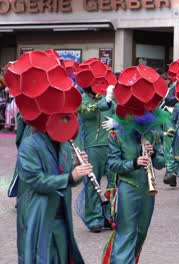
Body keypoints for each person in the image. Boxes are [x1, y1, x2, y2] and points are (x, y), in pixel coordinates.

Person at [8, 50, 88, 263]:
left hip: (60, 216)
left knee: (63, 256)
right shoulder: (30, 145)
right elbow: (37, 180)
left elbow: (66, 175)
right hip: (39, 214)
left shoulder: (62, 143)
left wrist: (78, 170)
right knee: (40, 256)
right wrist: (71, 177)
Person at [102, 65, 167, 264]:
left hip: (148, 192)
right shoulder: (117, 134)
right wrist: (134, 163)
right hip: (127, 189)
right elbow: (113, 164)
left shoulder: (154, 133)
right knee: (126, 233)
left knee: (141, 232)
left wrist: (154, 152)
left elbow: (162, 163)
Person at [77, 80, 116, 233]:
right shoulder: (82, 100)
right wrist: (105, 100)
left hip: (112, 145)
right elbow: (88, 112)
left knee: (114, 182)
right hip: (92, 147)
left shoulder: (109, 98)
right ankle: (94, 218)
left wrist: (117, 123)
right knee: (93, 183)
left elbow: (121, 114)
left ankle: (109, 216)